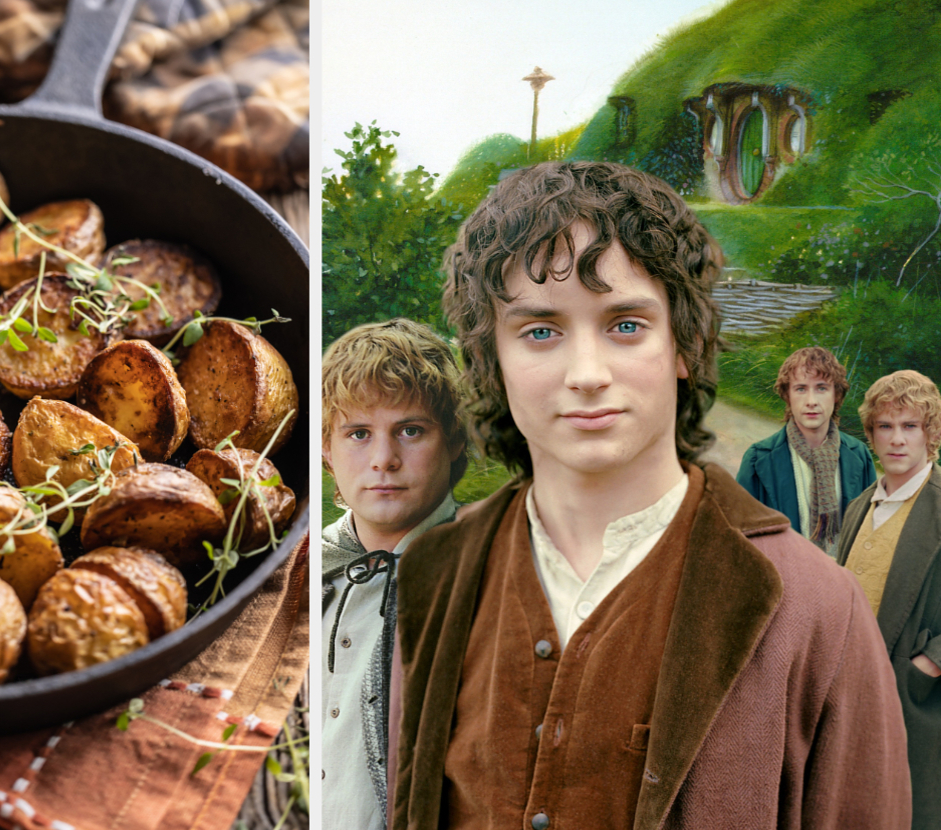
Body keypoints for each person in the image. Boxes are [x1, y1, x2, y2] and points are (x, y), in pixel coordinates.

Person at [392, 161, 909, 830]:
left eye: (625, 325)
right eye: (541, 331)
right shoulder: (432, 574)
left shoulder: (818, 610)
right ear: (493, 357)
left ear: (683, 344)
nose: (587, 374)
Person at [321, 317, 468, 830]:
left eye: (410, 431)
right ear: (326, 449)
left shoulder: (485, 573)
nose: (384, 460)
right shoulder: (299, 567)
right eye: (359, 434)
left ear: (453, 439)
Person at [836, 369, 941, 830]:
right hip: (847, 699)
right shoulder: (859, 507)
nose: (897, 439)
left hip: (915, 700)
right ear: (872, 435)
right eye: (885, 426)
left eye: (910, 425)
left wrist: (929, 664)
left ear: (930, 433)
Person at [737, 346, 876, 556]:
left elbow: (869, 533)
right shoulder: (758, 459)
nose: (811, 401)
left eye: (821, 388)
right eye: (801, 389)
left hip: (842, 575)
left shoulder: (859, 455)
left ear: (836, 394)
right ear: (787, 395)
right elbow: (741, 536)